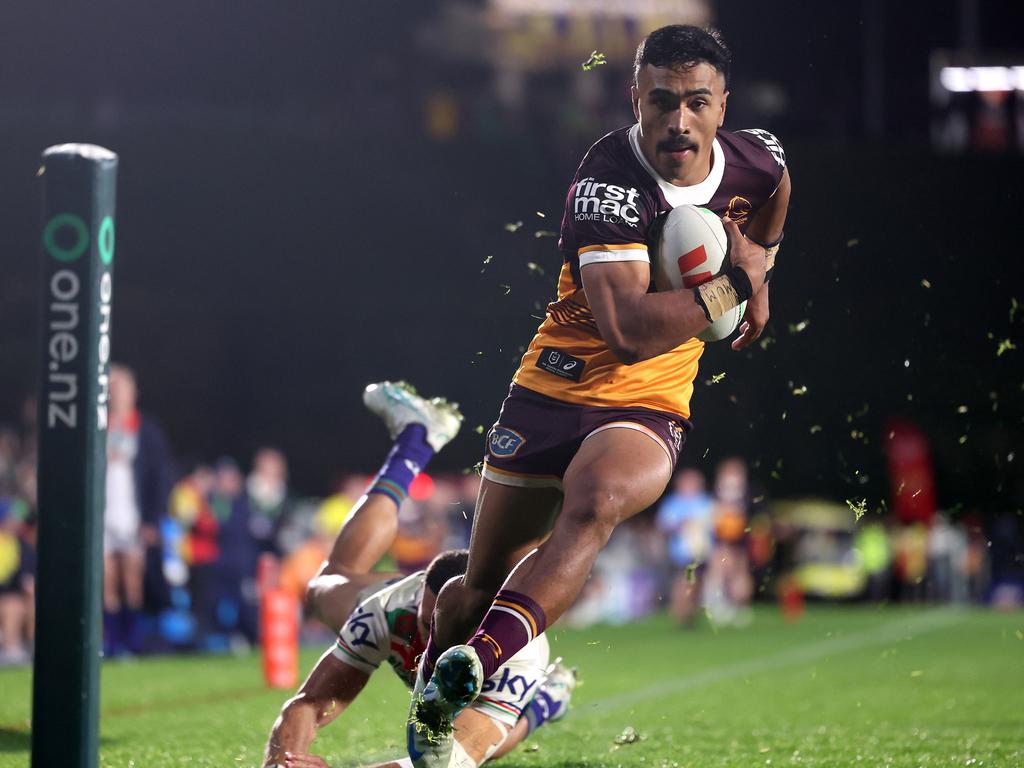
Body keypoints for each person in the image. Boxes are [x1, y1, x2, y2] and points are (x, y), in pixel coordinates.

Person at [409, 24, 791, 766]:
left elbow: (776, 191)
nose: (678, 121)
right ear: (636, 99)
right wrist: (738, 284)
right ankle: (431, 713)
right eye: (661, 102)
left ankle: (477, 664)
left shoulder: (759, 157)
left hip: (648, 402)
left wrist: (765, 268)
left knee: (597, 502)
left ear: (724, 107)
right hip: (556, 386)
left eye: (696, 103)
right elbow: (625, 331)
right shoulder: (608, 179)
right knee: (477, 582)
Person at [263, 382, 576, 768]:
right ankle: (415, 441)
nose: (428, 637)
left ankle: (546, 701)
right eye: (425, 621)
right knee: (325, 586)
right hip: (406, 608)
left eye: (440, 622)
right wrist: (283, 760)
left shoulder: (518, 654)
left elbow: (446, 763)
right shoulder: (391, 611)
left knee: (485, 750)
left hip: (482, 677)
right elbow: (309, 703)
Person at [102, 364, 174, 656]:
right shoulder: (101, 426)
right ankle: (111, 639)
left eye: (121, 387)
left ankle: (132, 641)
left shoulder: (145, 429)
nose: (116, 392)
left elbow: (159, 477)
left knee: (132, 578)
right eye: (112, 387)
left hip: (132, 514)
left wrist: (153, 520)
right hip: (105, 514)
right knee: (106, 578)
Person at [655, 468, 714, 626]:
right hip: (681, 552)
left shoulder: (705, 502)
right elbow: (663, 526)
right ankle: (680, 611)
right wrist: (680, 525)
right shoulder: (673, 503)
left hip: (702, 551)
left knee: (696, 582)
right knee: (685, 580)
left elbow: (715, 523)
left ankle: (689, 611)